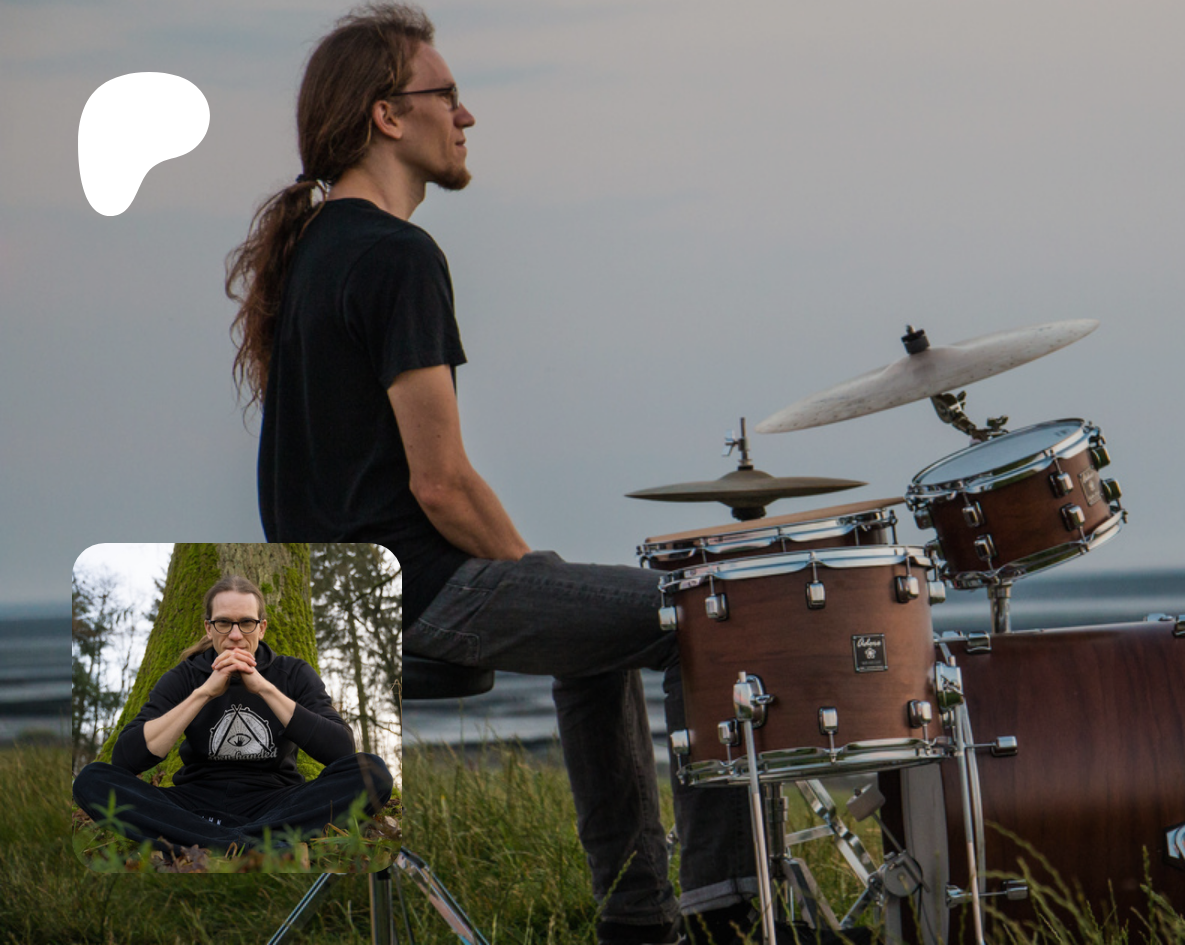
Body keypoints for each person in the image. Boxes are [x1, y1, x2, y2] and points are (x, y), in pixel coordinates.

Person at [226, 6, 757, 943]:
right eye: (449, 95)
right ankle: (728, 915)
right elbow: (440, 483)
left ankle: (641, 922)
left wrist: (543, 584)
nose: (466, 115)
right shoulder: (397, 255)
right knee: (716, 615)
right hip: (417, 587)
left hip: (334, 594)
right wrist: (531, 568)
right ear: (389, 115)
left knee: (595, 639)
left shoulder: (315, 253)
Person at [72, 575, 392, 856]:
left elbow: (341, 751)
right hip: (194, 803)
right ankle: (253, 843)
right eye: (224, 623)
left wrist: (264, 689)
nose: (236, 635)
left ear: (261, 628)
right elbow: (125, 759)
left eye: (246, 623)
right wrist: (203, 694)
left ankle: (212, 842)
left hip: (277, 802)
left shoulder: (292, 673)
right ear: (209, 628)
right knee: (92, 780)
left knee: (372, 772)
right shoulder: (185, 676)